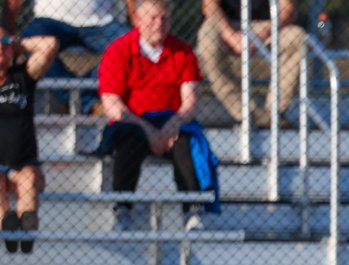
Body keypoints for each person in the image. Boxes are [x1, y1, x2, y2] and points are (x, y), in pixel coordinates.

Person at [97, 0, 217, 233]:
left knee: (186, 142)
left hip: (171, 120)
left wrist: (173, 125)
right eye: (152, 18)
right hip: (134, 120)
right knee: (128, 139)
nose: (159, 24)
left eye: (165, 18)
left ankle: (192, 211)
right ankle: (123, 208)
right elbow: (112, 104)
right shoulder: (119, 50)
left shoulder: (182, 51)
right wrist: (148, 130)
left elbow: (191, 100)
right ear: (138, 20)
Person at [9, 0, 134, 116]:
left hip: (101, 21)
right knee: (31, 43)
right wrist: (8, 32)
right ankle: (87, 103)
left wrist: (136, 20)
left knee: (134, 46)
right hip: (51, 19)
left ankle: (81, 94)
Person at [195, 0, 305, 127]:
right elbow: (209, 6)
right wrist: (231, 36)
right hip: (225, 24)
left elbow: (288, 10)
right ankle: (246, 113)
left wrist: (259, 36)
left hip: (266, 26)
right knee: (208, 42)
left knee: (297, 37)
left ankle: (275, 112)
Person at [0, 25, 56, 254]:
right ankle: (8, 233)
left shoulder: (23, 77)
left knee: (29, 179)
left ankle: (25, 237)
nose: (0, 49)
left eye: (3, 45)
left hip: (22, 162)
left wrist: (15, 42)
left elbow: (50, 44)